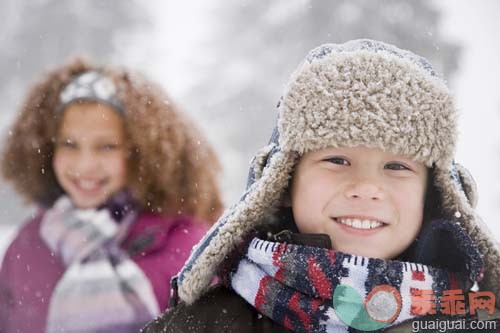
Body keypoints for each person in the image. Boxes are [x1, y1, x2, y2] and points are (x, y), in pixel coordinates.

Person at [143, 40, 500, 332]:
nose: (366, 187)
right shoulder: (204, 325)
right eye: (337, 161)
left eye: (396, 166)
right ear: (283, 182)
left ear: (433, 194)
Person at [0, 58, 222, 332]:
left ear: (142, 153)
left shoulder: (188, 244)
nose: (85, 165)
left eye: (106, 146)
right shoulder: (29, 242)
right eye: (69, 144)